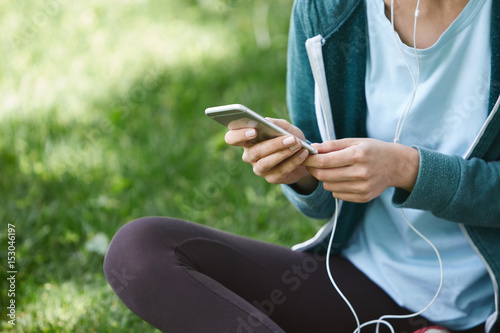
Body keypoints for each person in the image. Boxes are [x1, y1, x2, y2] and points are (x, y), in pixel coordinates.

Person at [103, 0, 500, 332]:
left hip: (488, 305)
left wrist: (409, 170)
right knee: (139, 251)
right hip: (370, 288)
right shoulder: (326, 9)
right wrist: (303, 172)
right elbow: (324, 202)